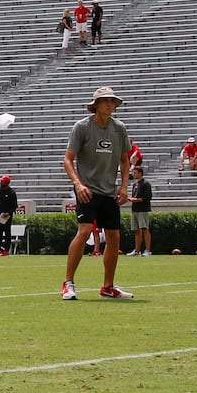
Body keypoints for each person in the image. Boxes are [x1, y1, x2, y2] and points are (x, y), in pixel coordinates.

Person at [62, 87, 133, 300]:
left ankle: (108, 286)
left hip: (109, 190)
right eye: (105, 101)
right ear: (96, 104)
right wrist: (78, 184)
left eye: (112, 101)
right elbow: (68, 159)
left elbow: (124, 160)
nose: (110, 105)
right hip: (87, 190)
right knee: (84, 232)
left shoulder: (119, 128)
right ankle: (68, 283)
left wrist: (123, 187)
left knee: (114, 236)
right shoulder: (82, 127)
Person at [0, 175, 18, 256]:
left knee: (7, 233)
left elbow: (15, 205)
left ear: (7, 182)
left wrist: (8, 212)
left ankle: (6, 250)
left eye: (3, 181)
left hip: (6, 215)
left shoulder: (11, 192)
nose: (1, 182)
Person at [127, 176, 152, 256]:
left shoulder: (146, 184)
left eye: (135, 172)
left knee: (144, 229)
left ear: (140, 173)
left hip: (143, 209)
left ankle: (148, 250)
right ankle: (137, 251)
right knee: (136, 230)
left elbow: (147, 197)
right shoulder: (135, 184)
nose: (134, 174)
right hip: (135, 209)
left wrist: (136, 200)